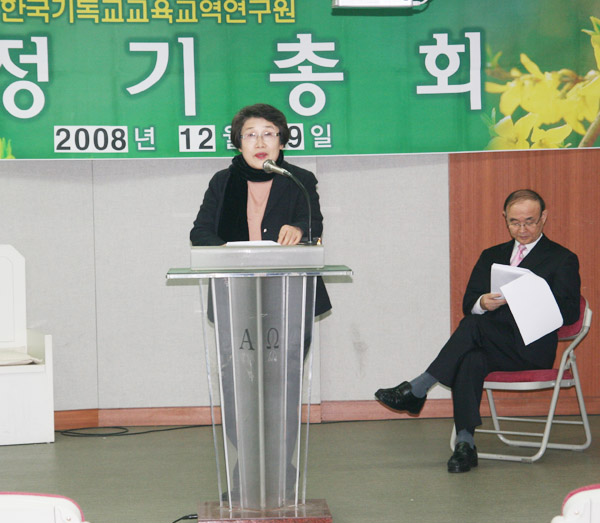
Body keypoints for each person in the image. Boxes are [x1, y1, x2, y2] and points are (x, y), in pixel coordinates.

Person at [375, 189, 581, 473]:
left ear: (543, 217)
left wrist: (531, 297)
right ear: (504, 218)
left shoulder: (562, 258)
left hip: (531, 348)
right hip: (493, 345)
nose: (522, 229)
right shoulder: (491, 256)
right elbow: (468, 304)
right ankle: (465, 444)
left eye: (529, 222)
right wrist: (482, 302)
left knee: (473, 327)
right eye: (514, 222)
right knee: (470, 358)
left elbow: (570, 313)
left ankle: (419, 387)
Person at [190, 102, 331, 315]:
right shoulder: (222, 181)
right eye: (250, 135)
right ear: (239, 144)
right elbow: (200, 232)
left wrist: (298, 229)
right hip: (234, 288)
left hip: (290, 289)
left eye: (268, 134)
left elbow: (313, 224)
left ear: (281, 142)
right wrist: (229, 253)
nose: (260, 143)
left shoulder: (299, 179)